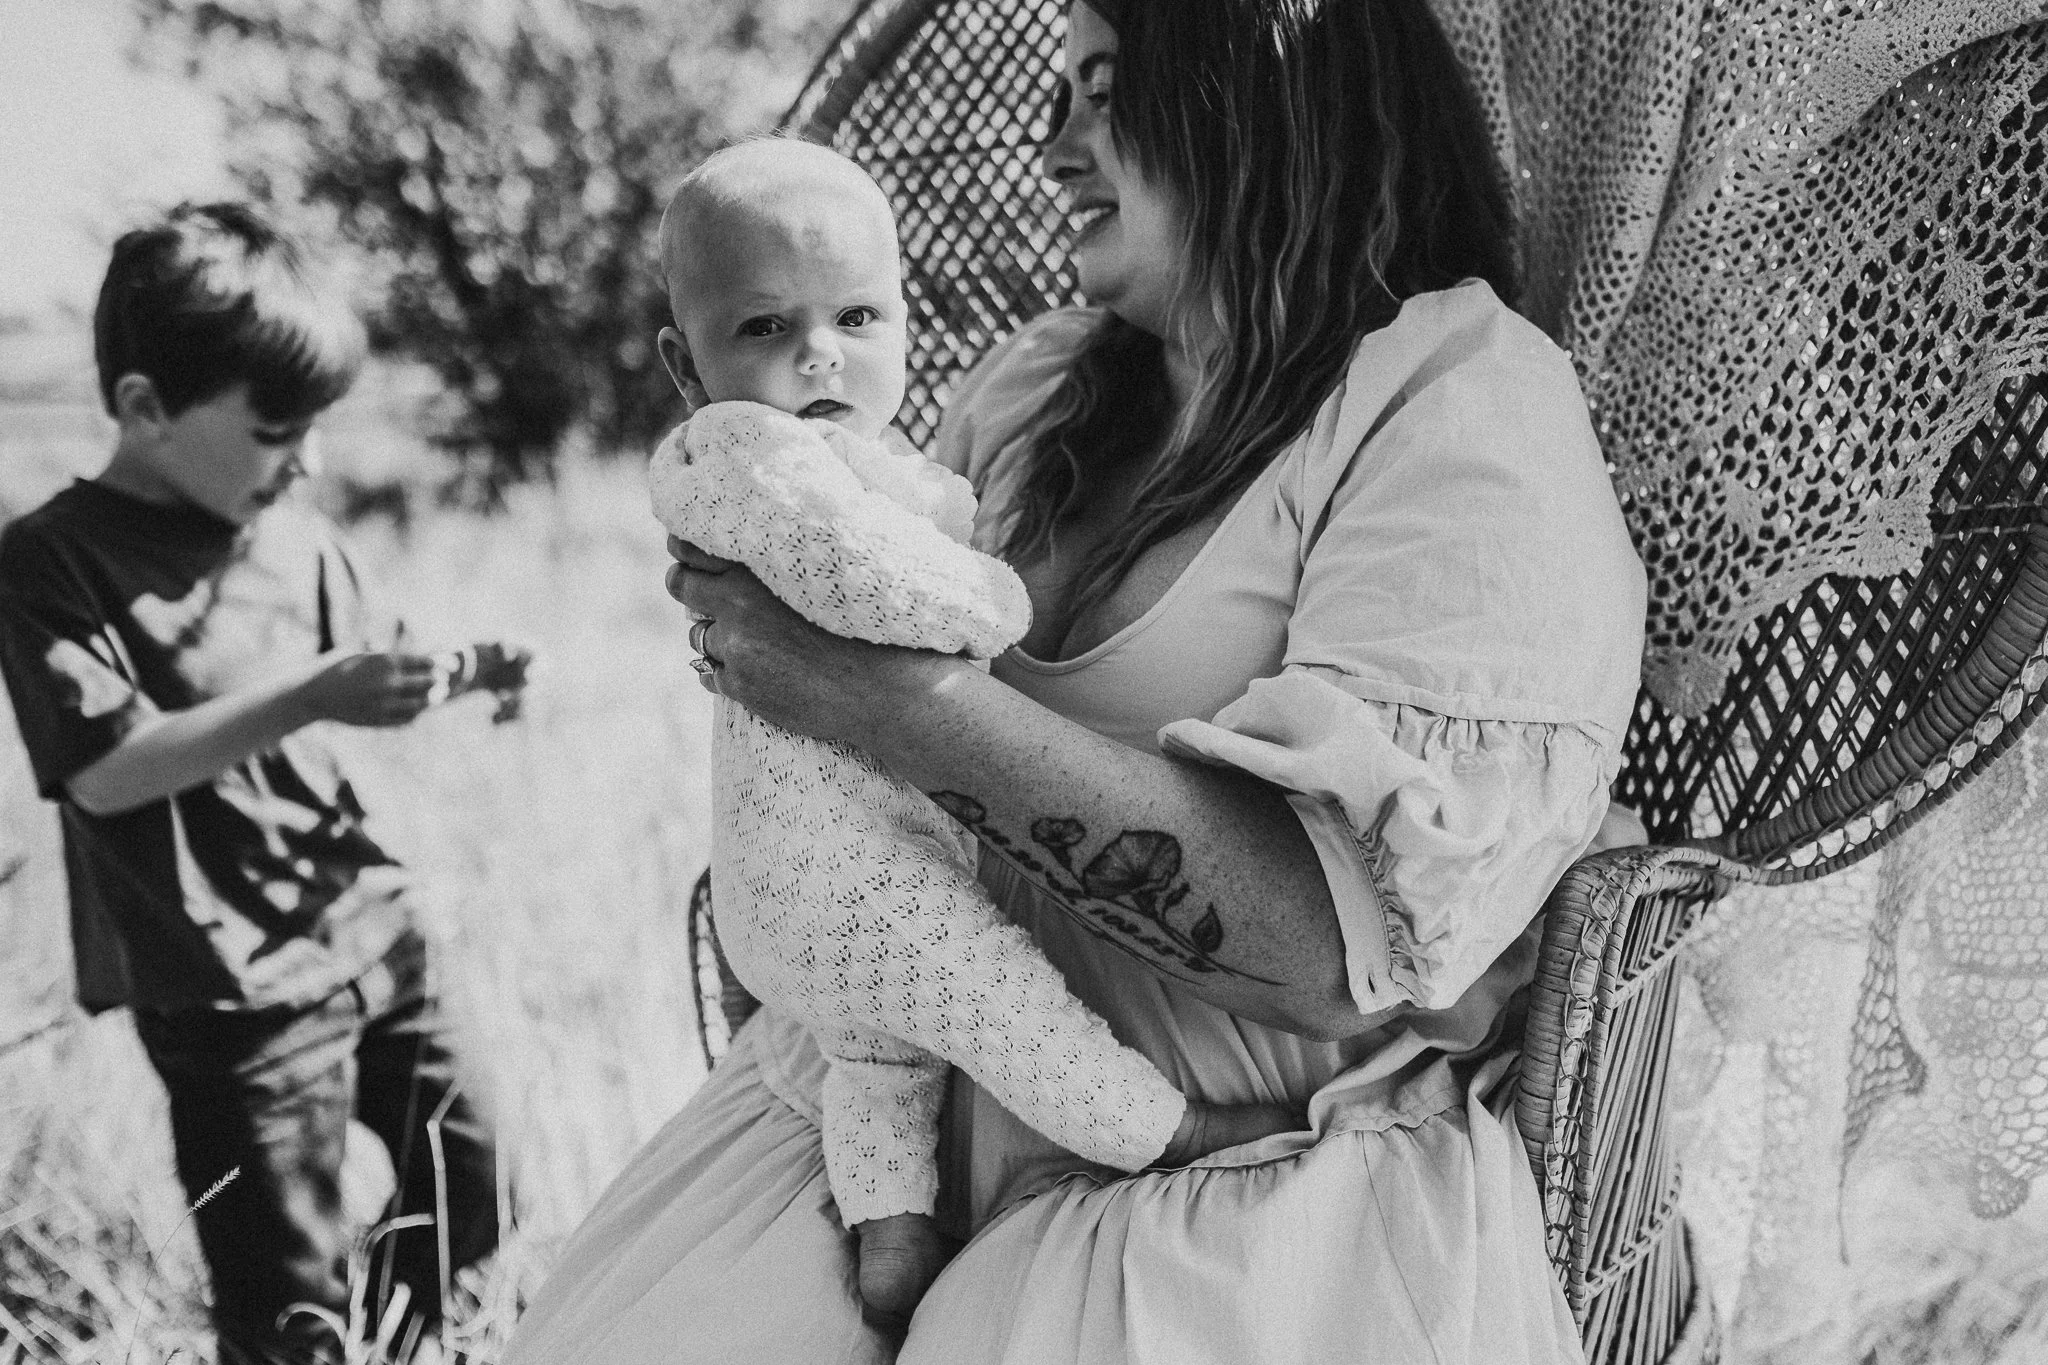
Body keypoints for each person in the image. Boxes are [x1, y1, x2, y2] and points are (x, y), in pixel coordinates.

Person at [507, 0, 1646, 1360]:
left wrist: (892, 703)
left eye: (1105, 93)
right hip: (881, 1124)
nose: (1053, 149)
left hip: (1230, 1179)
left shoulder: (1453, 403)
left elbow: (1328, 945)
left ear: (1260, 92)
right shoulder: (1034, 390)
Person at [645, 139, 1301, 1326]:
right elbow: (860, 579)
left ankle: (891, 1234)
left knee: (883, 1061)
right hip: (837, 877)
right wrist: (990, 601)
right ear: (684, 366)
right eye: (764, 328)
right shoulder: (752, 457)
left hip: (826, 875)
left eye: (856, 316)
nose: (818, 354)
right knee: (998, 1001)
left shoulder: (841, 456)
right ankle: (1154, 1128)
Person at [0, 203, 520, 1365]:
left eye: (318, 427)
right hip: (234, 999)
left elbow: (364, 668)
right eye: (278, 429)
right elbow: (105, 775)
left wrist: (460, 671)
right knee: (286, 1306)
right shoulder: (52, 561)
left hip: (376, 931)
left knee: (480, 1183)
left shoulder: (290, 529)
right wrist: (310, 693)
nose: (309, 462)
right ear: (145, 408)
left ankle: (402, 1344)